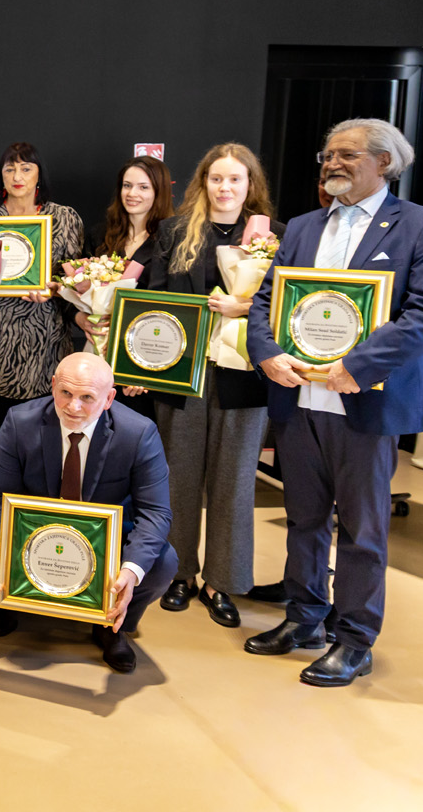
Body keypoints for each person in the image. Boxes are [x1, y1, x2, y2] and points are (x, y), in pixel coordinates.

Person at [244, 119, 423, 687]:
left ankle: (354, 639)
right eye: (327, 155)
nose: (332, 164)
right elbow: (265, 301)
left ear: (384, 162)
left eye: (347, 155)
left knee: (362, 530)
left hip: (366, 403)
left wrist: (357, 367)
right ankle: (303, 618)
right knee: (304, 519)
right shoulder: (304, 226)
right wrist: (267, 354)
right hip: (299, 399)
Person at [146, 144, 282, 628]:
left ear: (250, 185)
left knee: (235, 481)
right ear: (203, 182)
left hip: (244, 375)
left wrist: (245, 309)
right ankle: (178, 573)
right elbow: (154, 298)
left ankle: (222, 581)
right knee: (178, 476)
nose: (225, 188)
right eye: (216, 178)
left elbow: (287, 305)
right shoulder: (175, 231)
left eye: (235, 179)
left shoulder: (274, 235)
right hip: (183, 370)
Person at [0, 353, 177, 673]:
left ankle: (111, 624)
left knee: (162, 563)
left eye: (87, 397)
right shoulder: (19, 422)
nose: (73, 406)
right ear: (53, 386)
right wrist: (6, 547)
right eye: (66, 393)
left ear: (109, 399)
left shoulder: (139, 433)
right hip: (33, 536)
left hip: (103, 543)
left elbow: (155, 512)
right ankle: (13, 599)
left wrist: (129, 572)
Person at [0, 142, 84, 483]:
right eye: (9, 169)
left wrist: (54, 288)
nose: (17, 176)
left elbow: (77, 281)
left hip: (42, 351)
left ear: (39, 175)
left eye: (25, 168)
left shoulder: (64, 218)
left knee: (36, 455)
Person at [81, 156, 172, 398]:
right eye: (127, 185)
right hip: (98, 349)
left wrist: (143, 364)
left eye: (143, 187)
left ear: (159, 192)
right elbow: (74, 286)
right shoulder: (100, 235)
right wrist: (80, 318)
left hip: (145, 352)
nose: (132, 194)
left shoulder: (172, 240)